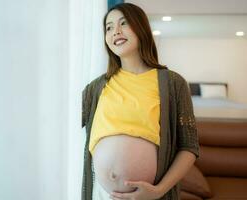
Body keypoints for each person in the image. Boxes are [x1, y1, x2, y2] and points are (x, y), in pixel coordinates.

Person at [81, 3, 199, 200]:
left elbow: (189, 147)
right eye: (108, 27)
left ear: (141, 28)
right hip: (101, 194)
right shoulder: (94, 88)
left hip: (150, 195)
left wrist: (159, 190)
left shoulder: (173, 83)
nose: (115, 31)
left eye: (123, 23)